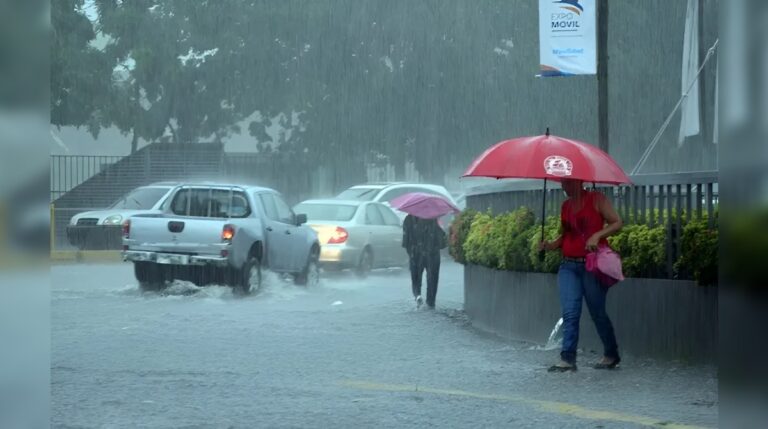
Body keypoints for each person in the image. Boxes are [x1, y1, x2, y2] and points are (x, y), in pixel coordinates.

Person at [539, 178, 623, 372]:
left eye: (567, 183)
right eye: (562, 183)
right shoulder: (566, 206)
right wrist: (550, 245)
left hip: (591, 265)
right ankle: (567, 358)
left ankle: (611, 354)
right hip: (568, 266)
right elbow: (567, 235)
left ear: (579, 182)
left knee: (597, 313)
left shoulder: (596, 199)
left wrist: (597, 235)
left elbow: (617, 222)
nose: (563, 187)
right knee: (570, 312)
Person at [402, 214, 447, 309]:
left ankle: (417, 295)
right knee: (432, 279)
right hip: (432, 254)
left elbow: (405, 242)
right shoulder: (434, 219)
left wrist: (411, 254)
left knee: (416, 278)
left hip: (415, 254)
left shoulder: (408, 219)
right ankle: (430, 303)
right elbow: (442, 243)